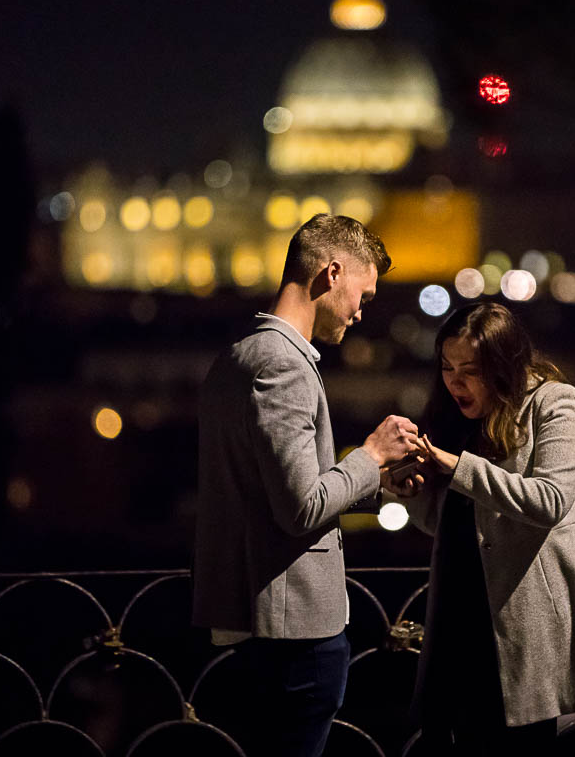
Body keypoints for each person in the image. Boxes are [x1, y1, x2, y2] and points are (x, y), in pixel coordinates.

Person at [192, 213, 421, 757]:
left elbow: (270, 491)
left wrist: (380, 484)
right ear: (331, 273)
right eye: (361, 295)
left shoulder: (239, 355)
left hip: (255, 621)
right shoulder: (284, 365)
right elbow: (300, 507)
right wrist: (371, 454)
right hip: (295, 631)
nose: (362, 312)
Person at [394, 302, 575, 754]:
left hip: (520, 631)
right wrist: (409, 489)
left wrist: (456, 467)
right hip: (456, 627)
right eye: (447, 367)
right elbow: (452, 526)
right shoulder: (457, 422)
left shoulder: (556, 404)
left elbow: (550, 500)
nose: (455, 381)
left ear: (504, 364)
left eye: (470, 369)